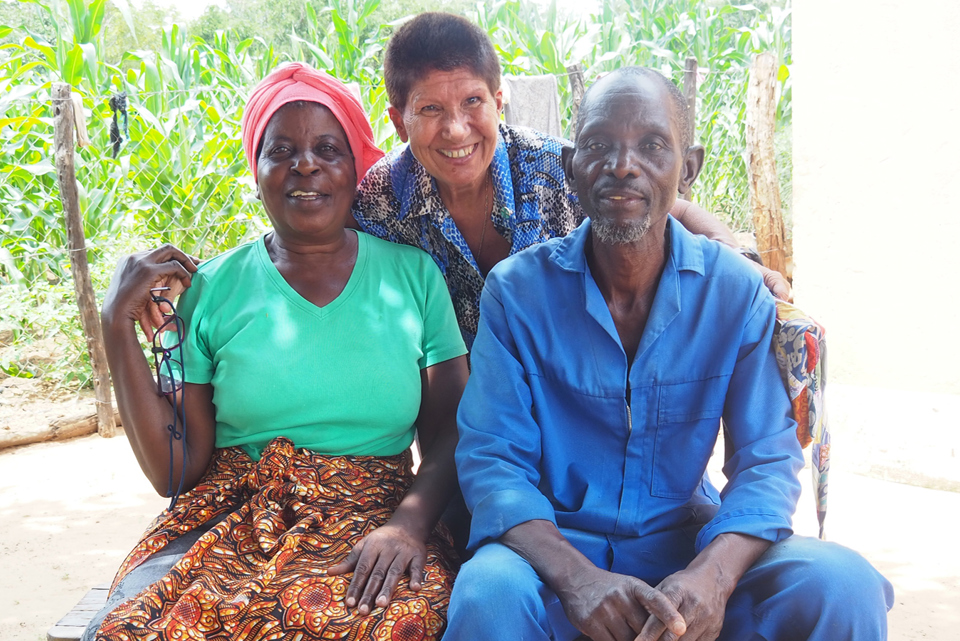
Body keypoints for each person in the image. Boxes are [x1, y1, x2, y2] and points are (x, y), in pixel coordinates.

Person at [447, 67, 893, 641]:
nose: (623, 165)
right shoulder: (517, 294)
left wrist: (714, 576)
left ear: (689, 169)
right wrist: (579, 581)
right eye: (599, 146)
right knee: (488, 595)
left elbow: (767, 461)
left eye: (653, 146)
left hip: (688, 555)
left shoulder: (733, 294)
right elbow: (492, 461)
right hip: (555, 563)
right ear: (570, 167)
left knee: (842, 584)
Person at [86, 63, 469, 641]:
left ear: (354, 167)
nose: (305, 164)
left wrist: (409, 526)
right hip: (234, 517)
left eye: (326, 148)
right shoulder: (214, 289)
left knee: (396, 622)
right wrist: (116, 324)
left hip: (376, 515)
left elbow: (452, 432)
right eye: (281, 149)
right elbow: (175, 470)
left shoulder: (412, 278)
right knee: (139, 628)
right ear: (257, 170)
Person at [354, 12, 789, 350]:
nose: (456, 129)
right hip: (452, 421)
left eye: (472, 101)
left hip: (565, 405)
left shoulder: (550, 168)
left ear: (499, 101)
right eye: (430, 109)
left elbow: (670, 207)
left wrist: (738, 261)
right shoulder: (380, 200)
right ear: (398, 121)